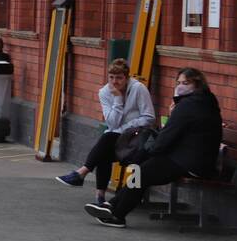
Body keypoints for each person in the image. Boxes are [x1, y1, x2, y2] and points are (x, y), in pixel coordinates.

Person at [84, 67, 223, 228]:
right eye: (178, 82)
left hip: (190, 162)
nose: (180, 86)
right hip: (192, 157)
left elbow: (168, 135)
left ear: (197, 84)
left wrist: (151, 151)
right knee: (141, 170)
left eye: (186, 83)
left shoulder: (188, 106)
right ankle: (112, 205)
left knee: (141, 172)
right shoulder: (205, 101)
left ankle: (117, 215)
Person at [55, 58, 155, 201]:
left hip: (137, 139)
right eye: (111, 77)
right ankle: (99, 196)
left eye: (119, 78)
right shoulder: (105, 92)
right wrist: (118, 99)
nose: (114, 82)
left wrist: (124, 128)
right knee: (105, 149)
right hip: (117, 139)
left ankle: (82, 173)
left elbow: (149, 117)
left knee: (107, 140)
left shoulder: (138, 88)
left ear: (127, 78)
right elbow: (112, 123)